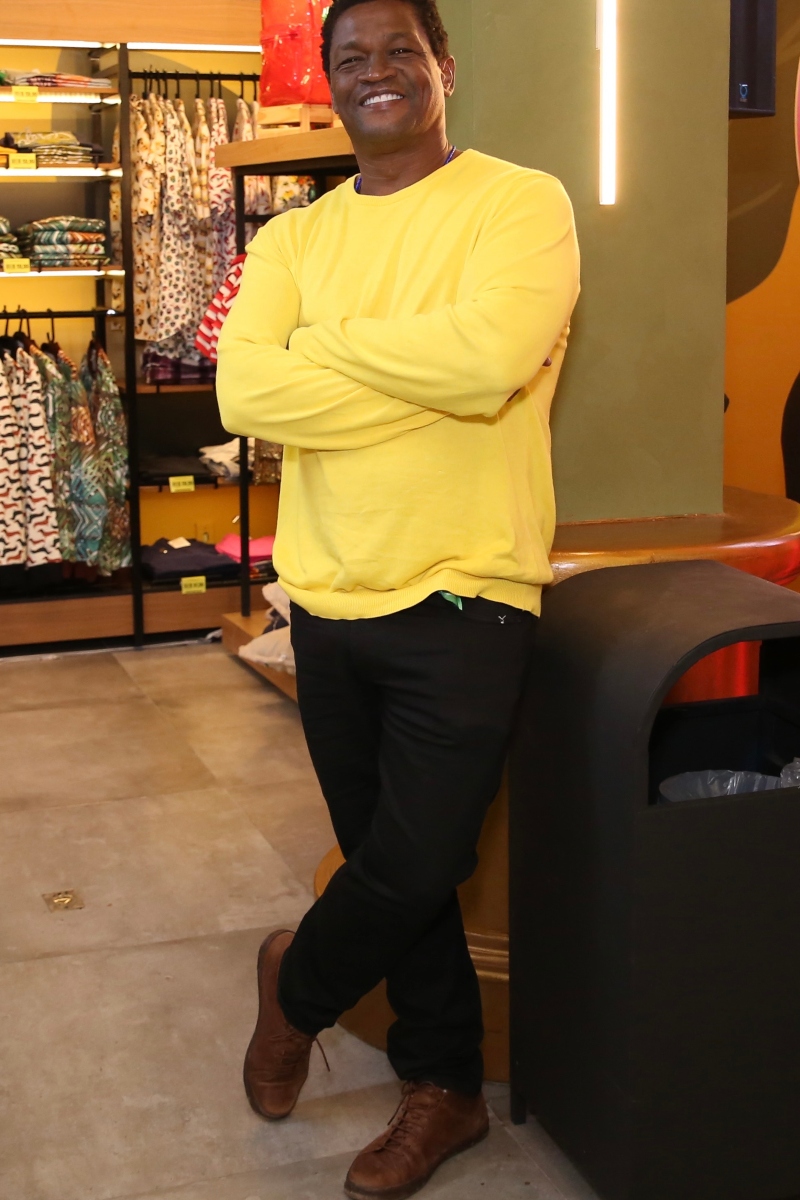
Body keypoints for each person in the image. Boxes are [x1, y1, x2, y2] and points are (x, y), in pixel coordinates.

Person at [216, 0, 580, 1194]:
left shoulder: (518, 203)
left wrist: (321, 353)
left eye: (398, 51)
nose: (375, 72)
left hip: (469, 587)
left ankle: (296, 985)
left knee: (419, 860)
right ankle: (445, 1088)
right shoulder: (292, 240)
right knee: (391, 861)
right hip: (326, 596)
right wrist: (429, 376)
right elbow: (244, 396)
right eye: (350, 58)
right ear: (328, 83)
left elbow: (490, 361)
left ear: (443, 68)